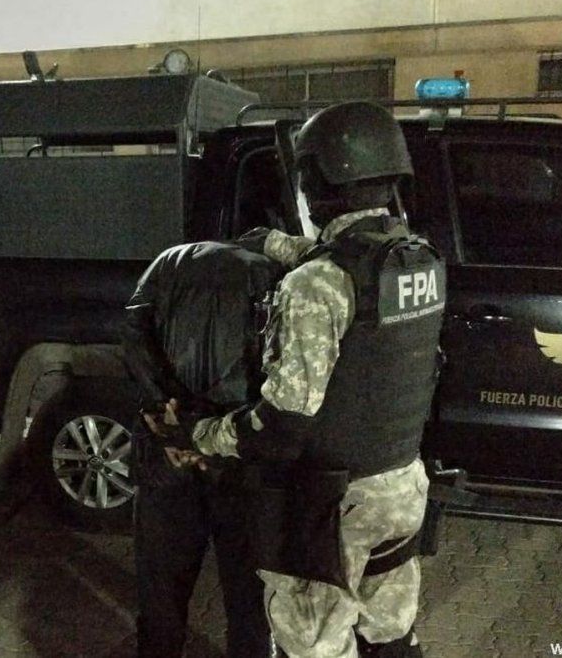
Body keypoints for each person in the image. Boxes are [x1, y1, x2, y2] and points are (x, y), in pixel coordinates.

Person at [150, 102, 445, 658]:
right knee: (390, 634)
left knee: (314, 645)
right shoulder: (419, 259)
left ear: (315, 181)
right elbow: (346, 261)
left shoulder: (316, 284)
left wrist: (200, 433)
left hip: (335, 506)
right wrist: (272, 242)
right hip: (402, 489)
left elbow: (283, 423)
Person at [122, 235, 310, 658]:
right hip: (236, 455)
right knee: (248, 596)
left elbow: (134, 335)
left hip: (166, 448)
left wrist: (167, 414)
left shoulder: (166, 261)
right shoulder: (273, 274)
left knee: (160, 590)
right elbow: (277, 370)